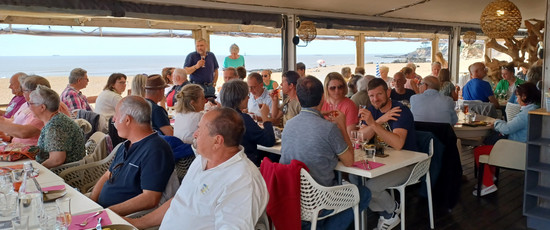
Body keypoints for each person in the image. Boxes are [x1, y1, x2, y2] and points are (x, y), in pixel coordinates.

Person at [125, 108, 268, 229]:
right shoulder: (201, 160)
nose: (195, 134)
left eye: (199, 129)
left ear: (217, 141)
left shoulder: (242, 181)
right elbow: (179, 201)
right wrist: (136, 223)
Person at [280, 76, 370, 229]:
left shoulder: (289, 125)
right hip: (321, 200)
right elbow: (349, 161)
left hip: (293, 198)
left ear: (299, 100)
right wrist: (341, 125)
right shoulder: (329, 129)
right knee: (363, 193)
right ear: (323, 97)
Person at [90, 96, 174, 216]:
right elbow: (107, 175)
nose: (114, 119)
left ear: (127, 120)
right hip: (99, 211)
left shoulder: (156, 149)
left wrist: (107, 213)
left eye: (117, 116)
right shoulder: (126, 145)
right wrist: (92, 204)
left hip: (121, 218)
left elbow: (150, 198)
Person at [358, 78, 418, 230]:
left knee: (370, 187)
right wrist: (378, 121)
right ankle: (391, 208)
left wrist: (373, 124)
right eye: (371, 96)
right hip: (384, 162)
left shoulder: (401, 111)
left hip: (408, 164)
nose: (375, 99)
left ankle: (389, 214)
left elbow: (398, 144)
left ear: (388, 92)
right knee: (356, 182)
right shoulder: (372, 110)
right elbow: (360, 137)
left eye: (379, 94)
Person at [473, 82, 540, 196]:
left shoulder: (525, 114)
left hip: (515, 150)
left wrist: (496, 122)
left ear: (524, 96)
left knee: (479, 151)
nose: (517, 99)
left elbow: (507, 129)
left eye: (518, 96)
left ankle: (488, 184)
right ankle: (490, 177)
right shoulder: (536, 110)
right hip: (525, 148)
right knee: (488, 148)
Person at [220, 79, 275, 166]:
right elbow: (269, 141)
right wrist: (265, 116)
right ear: (239, 98)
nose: (249, 98)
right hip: (246, 166)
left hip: (226, 165)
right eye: (247, 95)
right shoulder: (241, 119)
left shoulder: (218, 117)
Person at [30, 85, 85, 168]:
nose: (29, 107)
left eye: (30, 104)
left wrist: (37, 169)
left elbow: (57, 160)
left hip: (63, 175)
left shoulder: (55, 126)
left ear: (42, 107)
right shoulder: (57, 118)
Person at [0, 75, 49, 145]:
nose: (23, 94)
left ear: (33, 92)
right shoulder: (28, 104)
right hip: (17, 146)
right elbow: (15, 121)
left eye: (24, 91)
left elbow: (25, 132)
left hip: (31, 152)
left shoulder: (44, 107)